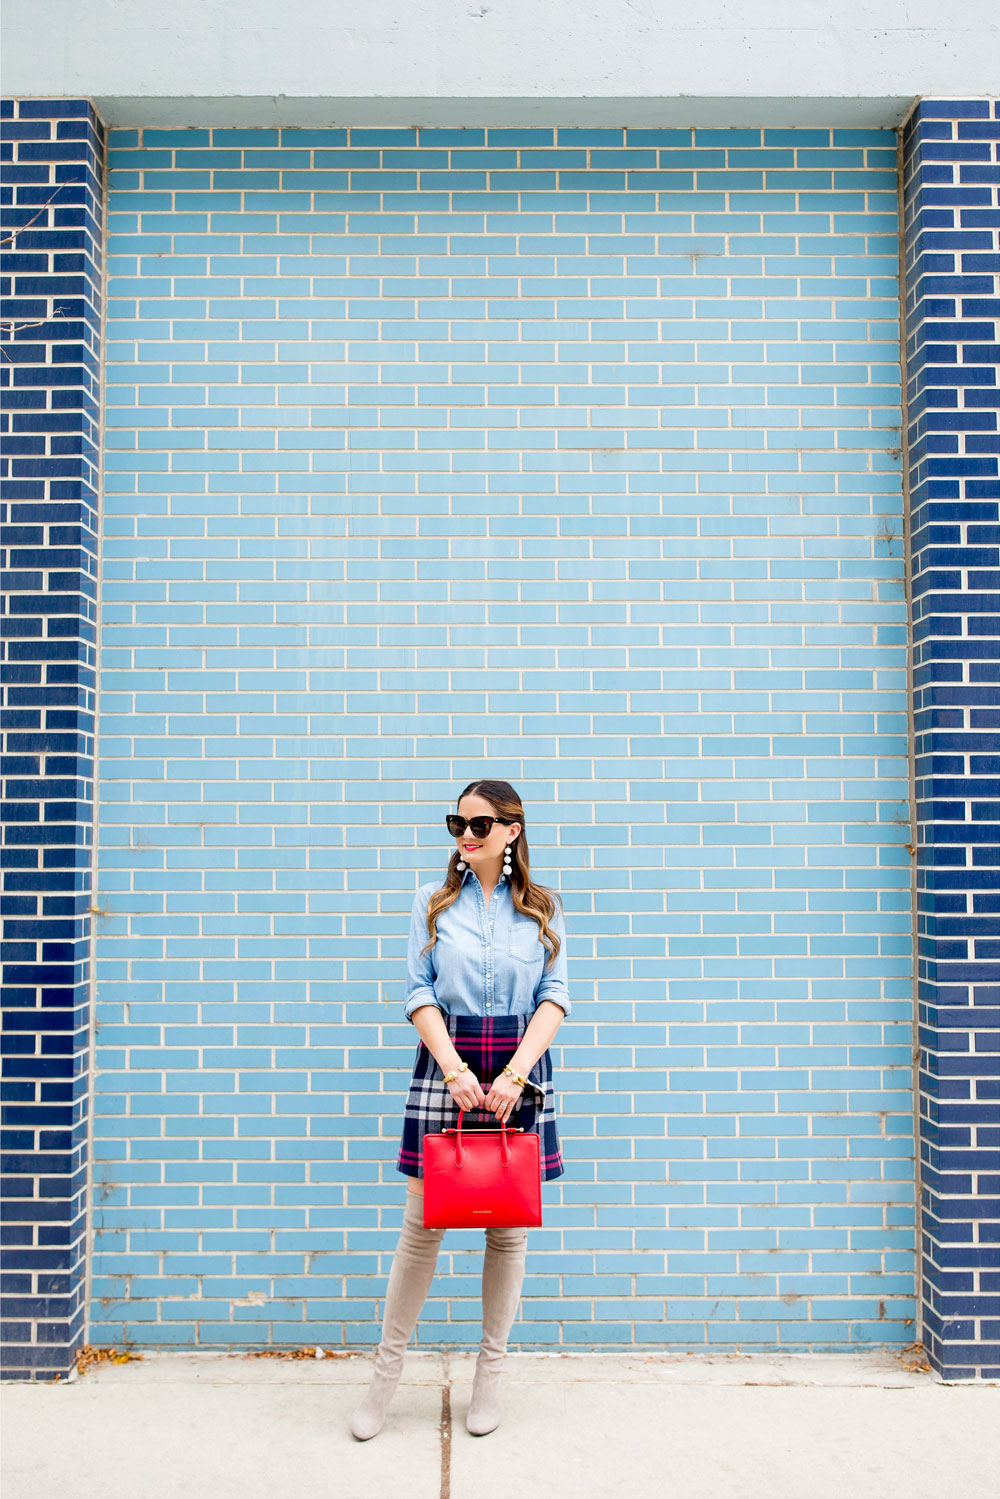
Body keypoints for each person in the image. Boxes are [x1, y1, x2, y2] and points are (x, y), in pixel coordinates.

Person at [350, 778, 569, 1441]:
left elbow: (555, 995)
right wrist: (451, 1065)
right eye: (458, 823)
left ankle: (490, 1378)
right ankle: (384, 1381)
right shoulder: (431, 901)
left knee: (506, 1231)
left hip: (517, 1069)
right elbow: (417, 991)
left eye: (480, 824)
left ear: (512, 831)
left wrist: (514, 1073)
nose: (466, 835)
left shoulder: (542, 906)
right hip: (446, 1059)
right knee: (422, 1229)